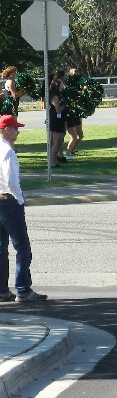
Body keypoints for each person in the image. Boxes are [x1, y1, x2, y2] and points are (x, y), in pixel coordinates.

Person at [0, 115, 47, 302]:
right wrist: (19, 199)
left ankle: (2, 290)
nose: (17, 131)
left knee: (1, 247)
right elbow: (11, 181)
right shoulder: (8, 152)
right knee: (22, 247)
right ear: (5, 130)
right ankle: (23, 289)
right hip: (9, 201)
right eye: (14, 128)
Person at [48, 72, 67, 167]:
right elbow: (58, 110)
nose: (62, 86)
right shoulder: (55, 96)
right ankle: (52, 162)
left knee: (59, 140)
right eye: (61, 85)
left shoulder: (58, 95)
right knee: (56, 141)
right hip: (56, 119)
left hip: (58, 119)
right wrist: (66, 104)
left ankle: (54, 160)